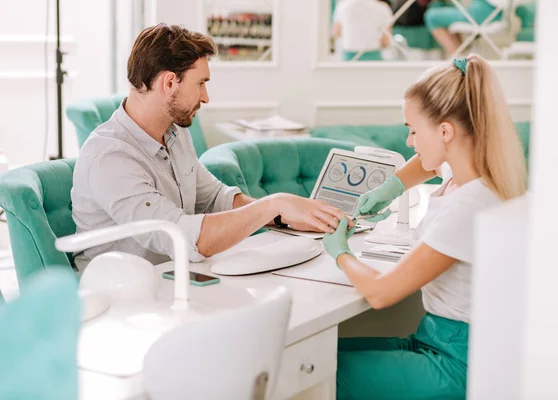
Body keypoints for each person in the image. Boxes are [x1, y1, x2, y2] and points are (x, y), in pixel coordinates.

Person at [322, 54, 526, 399]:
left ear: (446, 131)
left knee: (320, 374)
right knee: (314, 358)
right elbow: (428, 166)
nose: (409, 142)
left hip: (456, 364)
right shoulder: (469, 176)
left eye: (414, 131)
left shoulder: (469, 206)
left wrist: (340, 252)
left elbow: (381, 293)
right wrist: (392, 187)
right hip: (439, 342)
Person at [71, 23, 351, 271]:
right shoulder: (110, 156)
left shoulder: (175, 133)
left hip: (174, 282)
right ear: (170, 82)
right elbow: (183, 238)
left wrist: (284, 216)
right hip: (120, 300)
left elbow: (215, 198)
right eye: (201, 84)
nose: (205, 97)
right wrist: (273, 204)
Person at [424, 0, 508, 55]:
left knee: (431, 17)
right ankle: (461, 56)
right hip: (497, 14)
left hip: (481, 15)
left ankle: (459, 61)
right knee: (448, 9)